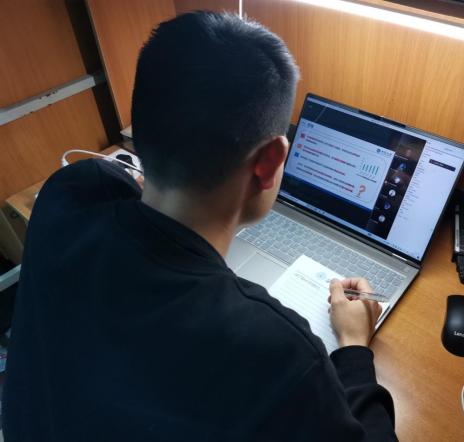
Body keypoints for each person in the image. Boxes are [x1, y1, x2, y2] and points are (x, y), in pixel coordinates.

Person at [3, 12, 397, 441]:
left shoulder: (70, 193)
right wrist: (354, 347)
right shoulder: (279, 350)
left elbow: (114, 180)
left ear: (139, 124)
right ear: (269, 162)